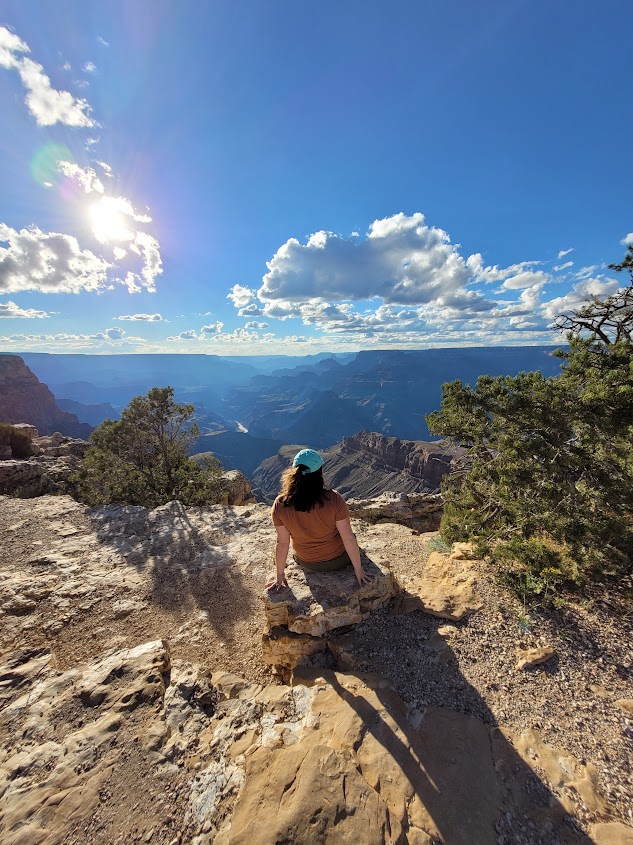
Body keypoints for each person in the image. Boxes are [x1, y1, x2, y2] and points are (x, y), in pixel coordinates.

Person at [266, 448, 372, 592]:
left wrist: (279, 575)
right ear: (320, 473)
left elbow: (282, 543)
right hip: (338, 560)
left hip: (306, 561)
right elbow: (348, 538)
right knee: (352, 537)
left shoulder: (281, 504)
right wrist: (359, 569)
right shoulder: (334, 499)